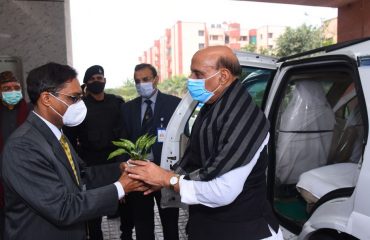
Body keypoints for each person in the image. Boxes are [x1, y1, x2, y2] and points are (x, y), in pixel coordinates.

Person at [125, 46, 283, 240]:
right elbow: (199, 159)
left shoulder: (245, 119)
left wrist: (168, 179)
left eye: (198, 74)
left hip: (243, 230)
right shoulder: (213, 108)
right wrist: (163, 178)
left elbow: (222, 192)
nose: (190, 79)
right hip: (212, 227)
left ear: (223, 76)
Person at [1, 62, 144, 240]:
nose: (80, 104)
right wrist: (120, 188)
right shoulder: (23, 147)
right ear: (47, 99)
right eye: (74, 98)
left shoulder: (55, 133)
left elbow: (80, 175)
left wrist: (120, 169)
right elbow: (62, 208)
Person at [119, 63, 180, 240]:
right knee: (143, 228)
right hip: (139, 177)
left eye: (145, 79)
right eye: (137, 81)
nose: (141, 84)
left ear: (156, 79)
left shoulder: (174, 104)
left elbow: (184, 141)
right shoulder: (127, 109)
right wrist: (125, 168)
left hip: (166, 175)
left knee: (171, 226)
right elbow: (123, 142)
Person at [64, 65, 125, 240]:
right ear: (86, 83)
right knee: (93, 214)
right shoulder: (79, 107)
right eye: (92, 79)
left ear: (105, 80)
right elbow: (70, 139)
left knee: (122, 209)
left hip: (115, 164)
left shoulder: (117, 102)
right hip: (91, 166)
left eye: (99, 78)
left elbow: (123, 134)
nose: (96, 82)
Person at [0, 71, 31, 238]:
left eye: (16, 87)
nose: (12, 91)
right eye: (6, 88)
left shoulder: (31, 112)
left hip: (26, 175)